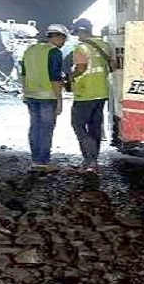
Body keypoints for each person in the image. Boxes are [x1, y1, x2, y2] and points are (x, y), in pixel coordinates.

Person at [68, 18, 114, 172]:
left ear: (81, 31)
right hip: (102, 92)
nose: (77, 36)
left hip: (85, 93)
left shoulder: (81, 48)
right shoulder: (105, 45)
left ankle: (89, 159)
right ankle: (93, 161)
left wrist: (70, 76)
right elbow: (112, 66)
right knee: (95, 126)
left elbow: (81, 68)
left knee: (78, 125)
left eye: (78, 33)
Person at [21, 24, 67, 172]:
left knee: (35, 127)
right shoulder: (54, 52)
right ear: (58, 36)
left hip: (31, 95)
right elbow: (55, 78)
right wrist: (59, 100)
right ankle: (43, 162)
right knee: (46, 129)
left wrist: (25, 92)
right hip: (47, 96)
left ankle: (35, 160)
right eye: (64, 39)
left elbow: (23, 74)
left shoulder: (30, 50)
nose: (64, 42)